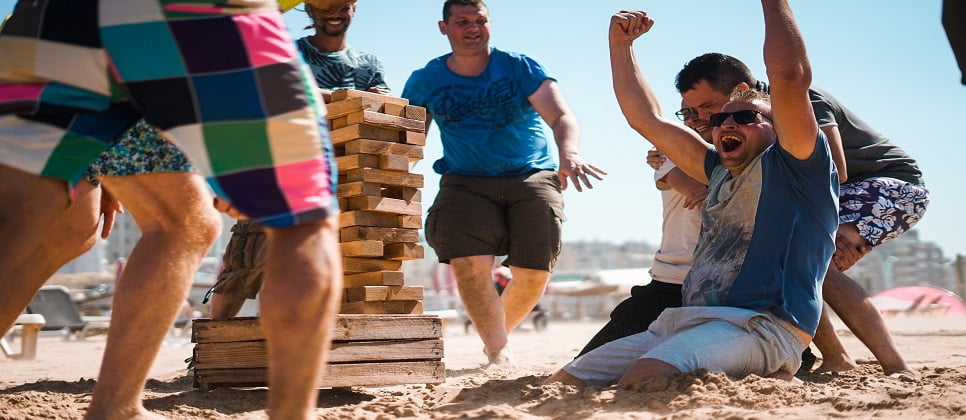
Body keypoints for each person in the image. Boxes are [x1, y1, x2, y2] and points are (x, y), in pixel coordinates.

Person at [0, 1, 343, 418]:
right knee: (298, 219)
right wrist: (238, 162)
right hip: (200, 11)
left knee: (18, 221)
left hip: (51, 18)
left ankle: (116, 408)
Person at [547, 0, 838, 386]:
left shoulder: (798, 168)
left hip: (761, 326)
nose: (726, 124)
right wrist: (621, 46)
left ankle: (776, 373)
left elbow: (788, 77)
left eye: (745, 117)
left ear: (779, 126)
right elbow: (645, 118)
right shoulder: (717, 170)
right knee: (566, 381)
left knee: (646, 377)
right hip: (685, 321)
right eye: (720, 119)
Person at [674, 52, 927, 378]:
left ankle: (895, 365)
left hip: (890, 186)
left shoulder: (798, 101)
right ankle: (837, 357)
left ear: (740, 91)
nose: (702, 119)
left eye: (708, 107)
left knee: (818, 264)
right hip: (835, 192)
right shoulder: (736, 123)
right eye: (693, 111)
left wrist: (825, 232)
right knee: (792, 263)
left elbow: (835, 168)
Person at [402, 0, 606, 367]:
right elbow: (410, 138)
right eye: (462, 21)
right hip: (465, 180)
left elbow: (561, 116)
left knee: (533, 273)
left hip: (530, 174)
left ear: (490, 23)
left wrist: (570, 153)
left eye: (480, 20)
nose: (472, 28)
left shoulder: (519, 67)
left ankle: (495, 337)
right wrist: (395, 175)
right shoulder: (425, 80)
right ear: (444, 27)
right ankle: (498, 352)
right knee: (468, 263)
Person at [207, 0, 388, 320]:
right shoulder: (289, 52)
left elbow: (384, 109)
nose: (334, 14)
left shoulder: (368, 63)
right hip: (278, 169)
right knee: (246, 261)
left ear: (354, 8)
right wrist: (343, 98)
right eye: (325, 7)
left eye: (342, 6)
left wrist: (330, 98)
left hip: (345, 179)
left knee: (343, 265)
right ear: (309, 9)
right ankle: (210, 338)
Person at [574, 100, 706, 357]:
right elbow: (695, 189)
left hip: (734, 288)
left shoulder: (760, 157)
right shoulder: (671, 153)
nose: (692, 119)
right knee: (589, 362)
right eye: (686, 113)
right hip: (672, 283)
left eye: (704, 108)